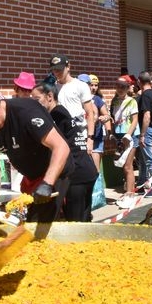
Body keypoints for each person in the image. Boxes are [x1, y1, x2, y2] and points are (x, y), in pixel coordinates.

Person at [0, 88, 72, 223]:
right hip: (31, 176)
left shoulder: (26, 112)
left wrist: (47, 183)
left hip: (56, 170)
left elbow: (61, 147)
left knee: (39, 224)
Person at [31, 82, 98, 222]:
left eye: (36, 99)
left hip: (77, 174)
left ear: (50, 96)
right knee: (84, 220)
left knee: (75, 223)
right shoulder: (61, 112)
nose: (34, 103)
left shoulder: (56, 115)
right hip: (86, 170)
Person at [49, 54, 96, 154]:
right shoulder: (52, 88)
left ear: (68, 67)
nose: (56, 72)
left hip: (79, 133)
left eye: (59, 69)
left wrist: (90, 138)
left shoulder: (80, 85)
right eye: (54, 70)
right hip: (60, 134)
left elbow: (89, 113)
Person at [109, 76, 140, 209]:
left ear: (128, 88)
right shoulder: (114, 101)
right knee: (124, 166)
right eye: (118, 86)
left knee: (128, 166)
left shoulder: (132, 101)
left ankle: (130, 194)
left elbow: (134, 120)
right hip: (119, 136)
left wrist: (128, 134)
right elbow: (114, 118)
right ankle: (128, 192)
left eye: (123, 86)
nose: (120, 89)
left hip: (131, 136)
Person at [78, 73, 111, 171]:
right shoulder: (75, 98)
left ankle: (97, 187)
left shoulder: (96, 99)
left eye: (94, 85)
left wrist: (104, 120)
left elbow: (107, 115)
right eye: (91, 85)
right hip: (80, 137)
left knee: (95, 169)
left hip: (96, 136)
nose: (93, 87)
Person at [136, 71, 152, 197]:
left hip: (148, 130)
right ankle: (141, 183)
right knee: (143, 160)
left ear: (139, 81)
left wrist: (142, 134)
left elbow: (147, 115)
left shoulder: (145, 95)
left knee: (149, 161)